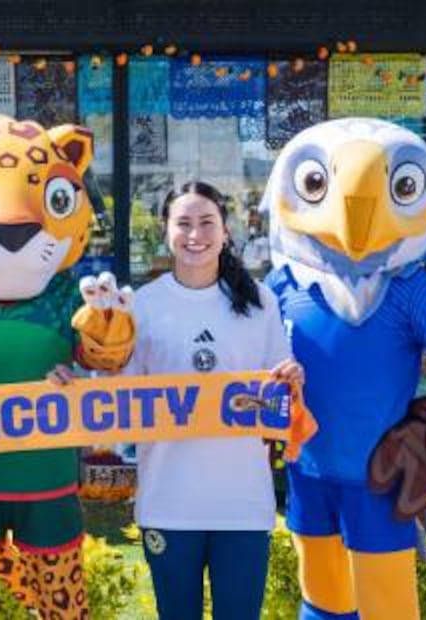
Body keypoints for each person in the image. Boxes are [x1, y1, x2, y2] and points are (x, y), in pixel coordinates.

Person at [107, 181, 302, 619]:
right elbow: (118, 397)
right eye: (184, 223)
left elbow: (280, 394)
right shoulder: (142, 305)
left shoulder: (259, 301)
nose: (195, 235)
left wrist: (293, 378)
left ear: (226, 230)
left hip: (244, 504)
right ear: (165, 231)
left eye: (206, 222)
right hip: (168, 501)